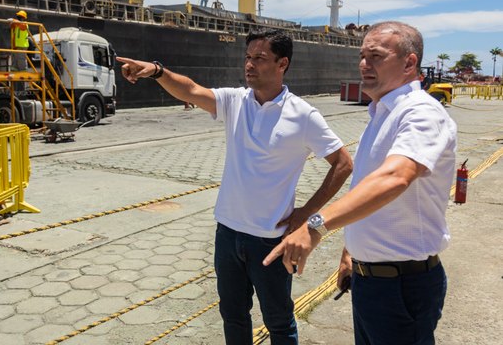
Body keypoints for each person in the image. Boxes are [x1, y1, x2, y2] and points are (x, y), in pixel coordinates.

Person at [117, 29, 352, 344]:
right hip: (227, 233)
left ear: (282, 64)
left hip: (270, 240)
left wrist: (306, 214)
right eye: (248, 58)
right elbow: (190, 90)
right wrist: (158, 72)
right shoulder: (235, 101)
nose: (249, 65)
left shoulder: (303, 115)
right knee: (233, 315)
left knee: (279, 321)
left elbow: (343, 163)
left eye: (259, 58)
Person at [264, 21, 457, 345]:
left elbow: (395, 177)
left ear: (410, 63)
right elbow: (367, 191)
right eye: (362, 56)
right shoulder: (380, 115)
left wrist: (315, 227)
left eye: (376, 56)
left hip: (403, 285)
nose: (364, 64)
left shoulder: (422, 112)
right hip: (372, 279)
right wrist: (350, 251)